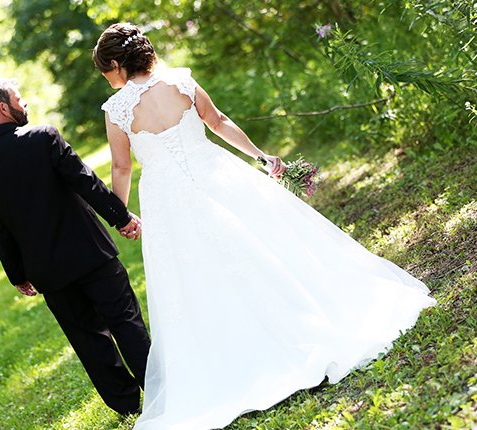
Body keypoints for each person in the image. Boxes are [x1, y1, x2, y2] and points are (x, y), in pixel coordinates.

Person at [93, 23, 437, 429]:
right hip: (214, 174)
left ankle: (234, 360)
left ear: (116, 64)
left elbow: (121, 166)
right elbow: (218, 122)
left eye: (106, 72)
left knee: (193, 276)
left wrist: (121, 213)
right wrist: (261, 156)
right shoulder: (181, 82)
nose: (108, 80)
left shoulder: (117, 110)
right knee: (259, 246)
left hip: (168, 199)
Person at [0, 78, 151, 415]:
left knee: (89, 339)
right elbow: (86, 181)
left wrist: (17, 275)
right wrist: (120, 217)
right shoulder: (43, 137)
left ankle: (126, 407)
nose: (26, 105)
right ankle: (159, 389)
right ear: (4, 108)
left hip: (48, 271)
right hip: (91, 253)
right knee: (125, 321)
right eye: (19, 99)